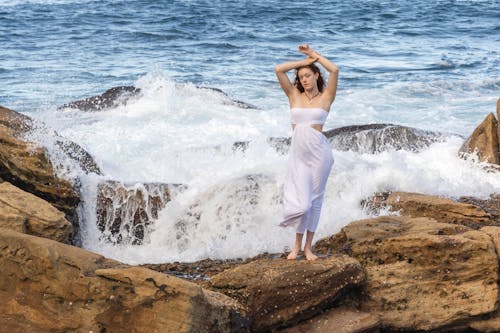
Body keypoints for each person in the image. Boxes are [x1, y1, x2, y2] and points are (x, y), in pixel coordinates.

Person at [275, 44, 339, 261]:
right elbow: (279, 69)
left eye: (307, 76)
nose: (304, 79)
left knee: (315, 200)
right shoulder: (294, 95)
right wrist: (303, 62)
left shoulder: (326, 97)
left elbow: (335, 70)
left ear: (316, 75)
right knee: (303, 203)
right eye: (301, 76)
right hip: (299, 156)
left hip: (320, 154)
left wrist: (316, 57)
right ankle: (295, 246)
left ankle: (307, 248)